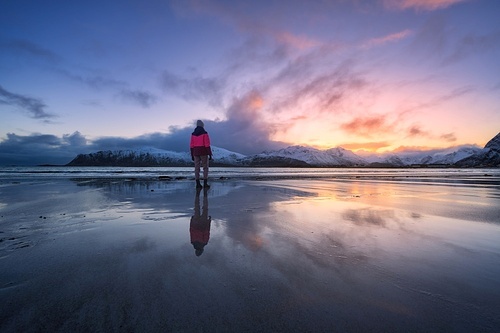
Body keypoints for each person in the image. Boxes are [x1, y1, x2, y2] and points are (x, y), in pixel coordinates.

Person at [190, 120, 212, 189]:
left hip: (195, 152)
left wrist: (192, 154)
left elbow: (191, 145)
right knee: (205, 168)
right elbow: (207, 144)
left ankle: (198, 184)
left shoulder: (193, 134)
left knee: (197, 168)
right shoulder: (205, 133)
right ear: (202, 125)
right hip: (203, 152)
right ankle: (205, 183)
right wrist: (210, 153)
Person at [190, 188, 211, 256]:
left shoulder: (204, 242)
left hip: (203, 224)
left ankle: (205, 195)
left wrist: (209, 221)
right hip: (195, 223)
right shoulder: (192, 242)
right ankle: (197, 196)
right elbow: (191, 231)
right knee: (197, 207)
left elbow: (207, 232)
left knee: (205, 208)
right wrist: (191, 221)